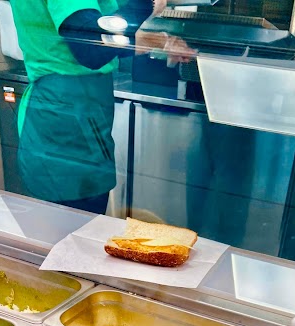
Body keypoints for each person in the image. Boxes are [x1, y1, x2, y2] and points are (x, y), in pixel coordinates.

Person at [10, 0, 193, 214]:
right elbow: (91, 45)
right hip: (66, 116)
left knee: (73, 220)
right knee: (73, 222)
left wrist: (160, 41)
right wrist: (148, 3)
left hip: (74, 111)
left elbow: (90, 39)